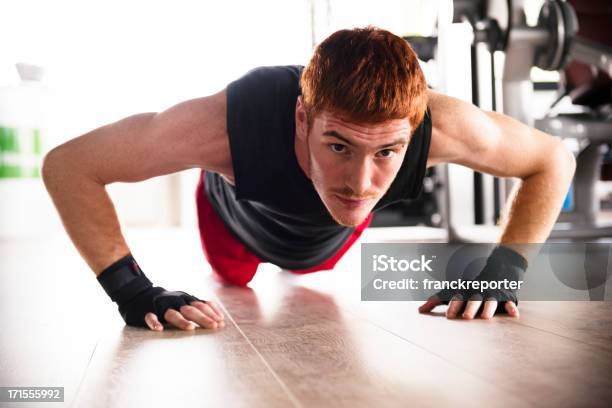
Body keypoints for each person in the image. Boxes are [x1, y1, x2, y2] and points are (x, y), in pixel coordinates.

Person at [42, 26, 576, 331]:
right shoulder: (226, 125)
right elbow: (69, 165)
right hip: (233, 226)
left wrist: (503, 270)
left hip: (328, 242)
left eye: (387, 152)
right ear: (302, 118)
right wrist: (131, 292)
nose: (361, 179)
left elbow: (553, 159)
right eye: (338, 145)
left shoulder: (443, 127)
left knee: (314, 265)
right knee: (235, 282)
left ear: (411, 133)